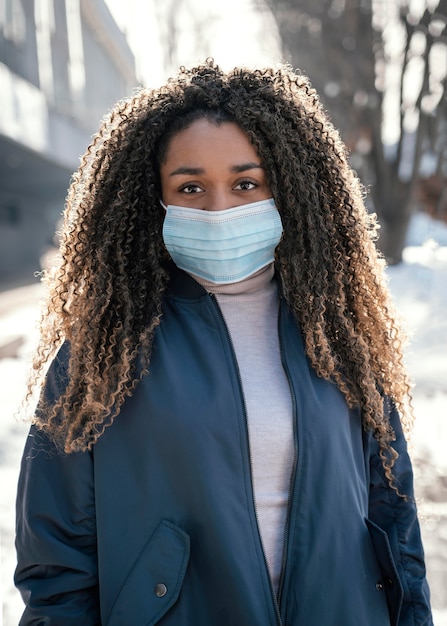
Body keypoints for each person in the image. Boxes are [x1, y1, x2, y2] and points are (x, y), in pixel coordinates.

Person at [15, 60, 432, 626]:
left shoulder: (340, 334)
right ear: (153, 199)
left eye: (245, 183)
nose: (219, 209)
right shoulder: (100, 353)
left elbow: (394, 523)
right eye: (190, 187)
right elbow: (56, 566)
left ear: (286, 185)